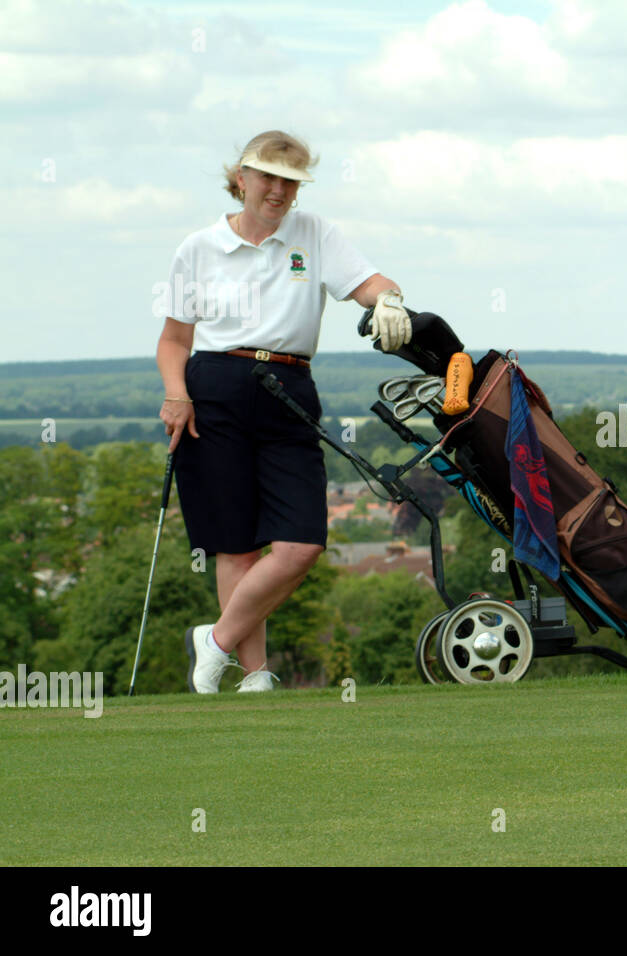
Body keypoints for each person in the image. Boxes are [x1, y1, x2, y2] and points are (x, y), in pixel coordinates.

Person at [156, 130, 413, 693]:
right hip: (214, 389)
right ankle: (255, 679)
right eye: (268, 177)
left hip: (288, 388)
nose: (278, 190)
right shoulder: (197, 248)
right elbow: (173, 341)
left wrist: (389, 298)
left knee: (301, 544)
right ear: (241, 178)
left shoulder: (314, 233)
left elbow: (368, 282)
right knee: (237, 542)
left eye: (290, 182)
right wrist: (175, 393)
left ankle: (215, 641)